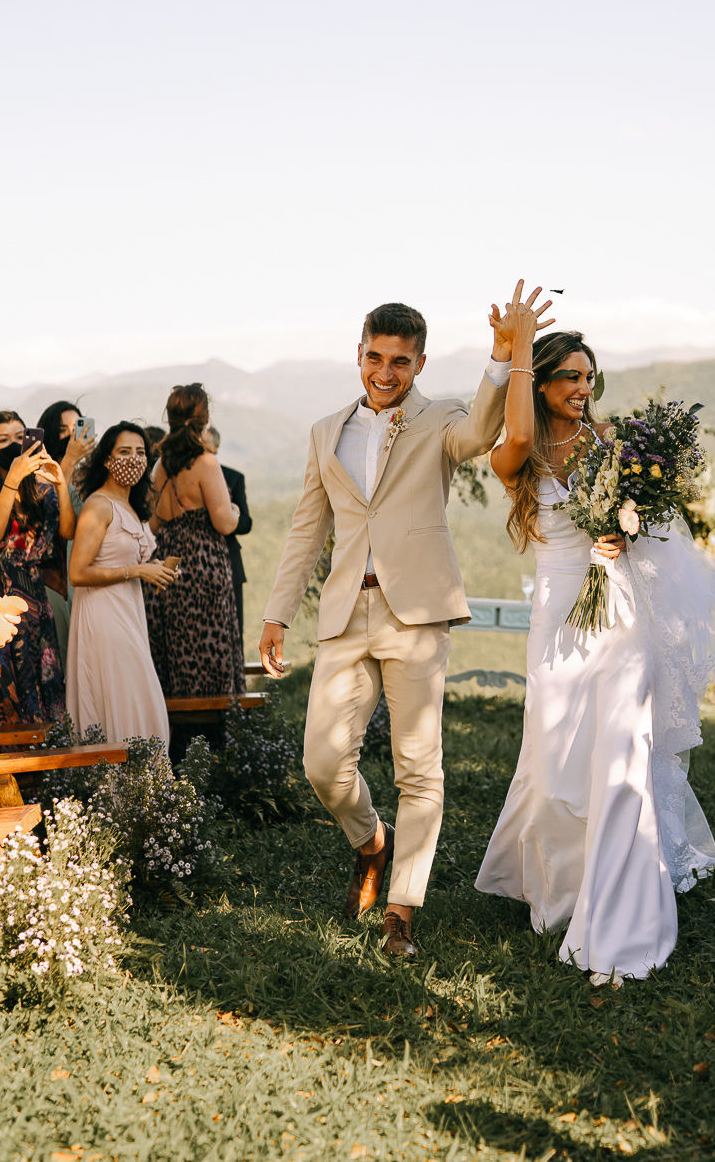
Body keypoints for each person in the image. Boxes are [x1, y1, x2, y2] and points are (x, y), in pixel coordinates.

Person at [475, 303, 715, 984]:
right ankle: (565, 890)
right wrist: (519, 345)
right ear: (541, 382)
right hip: (558, 611)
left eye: (589, 377)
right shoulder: (516, 451)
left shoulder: (615, 444)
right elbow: (520, 429)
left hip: (621, 611)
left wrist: (625, 531)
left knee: (622, 751)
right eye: (569, 377)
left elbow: (654, 526)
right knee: (554, 756)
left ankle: (626, 905)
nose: (583, 389)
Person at [258, 292, 517, 960]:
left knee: (418, 768)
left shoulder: (442, 419)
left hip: (418, 614)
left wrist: (500, 357)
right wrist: (277, 612)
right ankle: (373, 842)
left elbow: (479, 435)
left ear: (419, 363)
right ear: (359, 354)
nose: (385, 371)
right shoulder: (326, 431)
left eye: (400, 361)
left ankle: (401, 910)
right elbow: (307, 529)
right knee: (323, 765)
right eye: (375, 357)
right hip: (346, 613)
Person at [67, 424, 176, 742]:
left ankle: (143, 771)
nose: (134, 459)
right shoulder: (98, 506)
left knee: (139, 695)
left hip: (128, 611)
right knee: (126, 694)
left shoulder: (131, 505)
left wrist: (152, 569)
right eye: (124, 452)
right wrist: (136, 571)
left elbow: (123, 559)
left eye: (141, 452)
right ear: (107, 459)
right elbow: (78, 573)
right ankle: (119, 771)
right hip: (105, 616)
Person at [146, 384, 242, 698]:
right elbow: (224, 523)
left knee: (175, 645)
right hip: (204, 565)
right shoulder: (206, 463)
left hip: (168, 566)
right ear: (205, 418)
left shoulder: (160, 466)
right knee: (210, 646)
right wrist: (236, 510)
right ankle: (215, 719)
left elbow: (154, 523)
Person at [0, 410, 75, 723]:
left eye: (20, 437)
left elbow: (66, 532)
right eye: (3, 439)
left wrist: (60, 483)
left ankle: (49, 750)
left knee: (45, 681)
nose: (13, 444)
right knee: (9, 685)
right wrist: (12, 480)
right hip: (0, 599)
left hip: (36, 599)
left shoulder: (40, 489)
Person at [35, 399, 96, 659]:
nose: (71, 436)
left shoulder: (91, 475)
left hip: (85, 577)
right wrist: (69, 459)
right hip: (53, 580)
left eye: (76, 428)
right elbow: (52, 512)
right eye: (63, 430)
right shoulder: (37, 472)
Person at [207, 426, 252, 658]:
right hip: (198, 565)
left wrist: (228, 517)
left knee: (234, 630)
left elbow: (246, 523)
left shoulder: (234, 478)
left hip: (230, 562)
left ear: (215, 447)